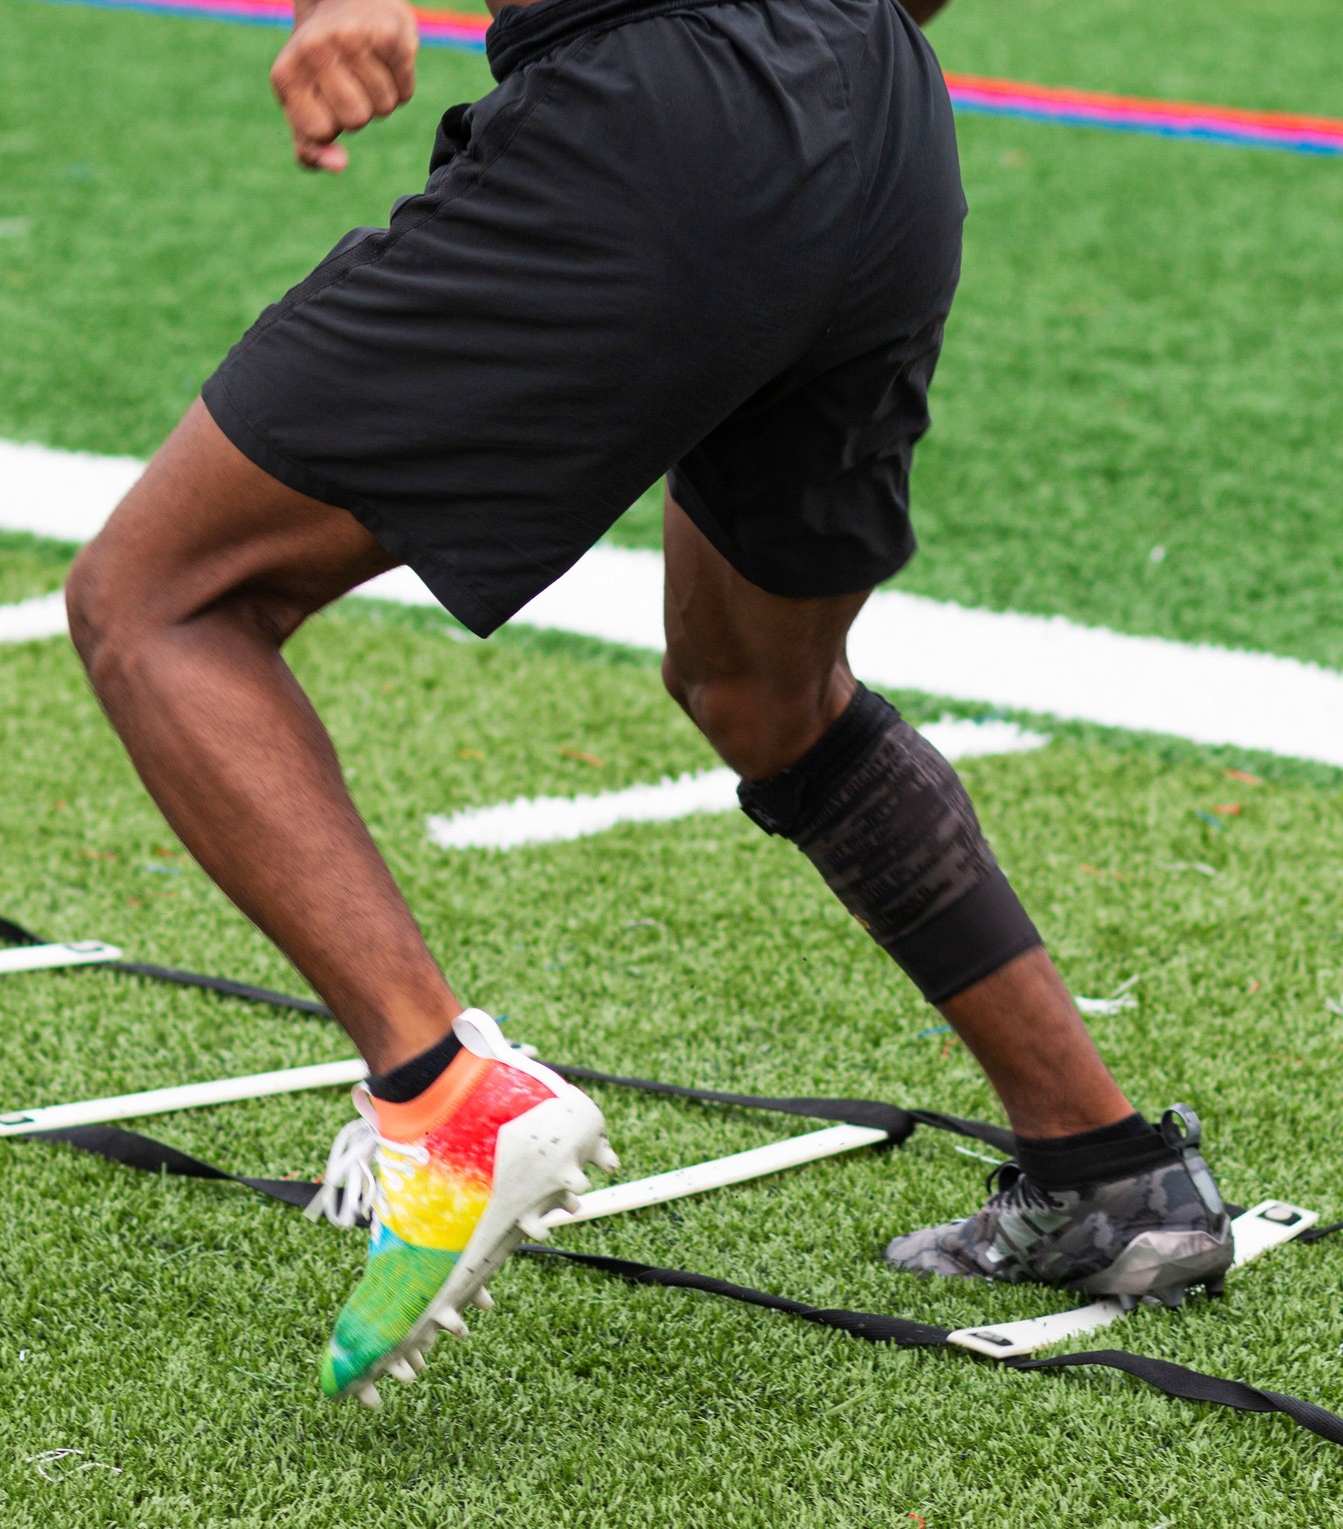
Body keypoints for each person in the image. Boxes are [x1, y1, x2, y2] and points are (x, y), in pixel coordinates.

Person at [64, 0, 1231, 1406]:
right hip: (883, 123)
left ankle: (442, 1094)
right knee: (766, 686)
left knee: (157, 600)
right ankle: (1108, 1166)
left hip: (666, 114)